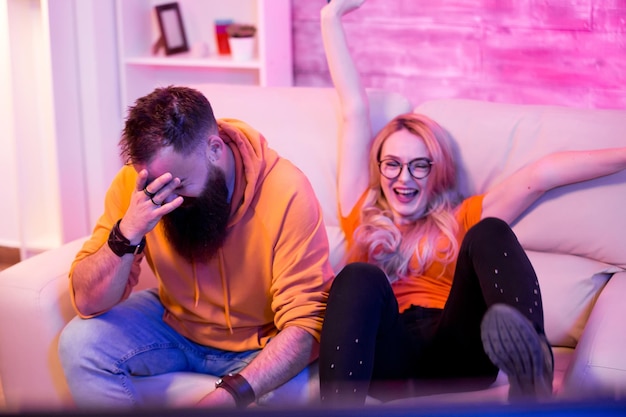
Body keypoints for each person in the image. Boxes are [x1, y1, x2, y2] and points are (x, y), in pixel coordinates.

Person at [319, 0, 626, 406]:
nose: (403, 178)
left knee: (489, 232)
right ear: (377, 168)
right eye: (392, 164)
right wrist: (331, 16)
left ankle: (531, 371)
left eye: (419, 165)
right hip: (383, 357)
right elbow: (353, 111)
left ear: (438, 170)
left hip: (456, 353)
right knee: (357, 274)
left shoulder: (461, 216)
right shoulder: (360, 211)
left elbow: (543, 174)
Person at [58, 85, 334, 409]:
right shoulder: (138, 185)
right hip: (174, 322)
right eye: (155, 188)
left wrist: (232, 395)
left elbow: (306, 325)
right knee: (79, 344)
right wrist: (126, 233)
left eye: (179, 185)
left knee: (290, 397)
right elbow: (87, 301)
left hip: (258, 341)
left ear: (214, 149)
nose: (167, 199)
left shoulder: (287, 192)